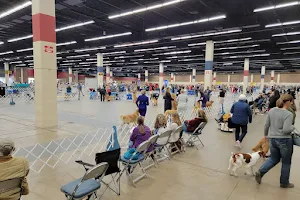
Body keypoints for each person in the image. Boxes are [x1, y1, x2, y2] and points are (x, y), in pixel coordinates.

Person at [255, 94, 295, 188]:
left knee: (274, 158)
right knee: (286, 162)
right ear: (288, 102)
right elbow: (286, 130)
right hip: (285, 140)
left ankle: (260, 172)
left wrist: (266, 135)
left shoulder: (272, 110)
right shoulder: (289, 114)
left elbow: (266, 125)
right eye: (291, 101)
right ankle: (284, 182)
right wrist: (292, 127)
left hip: (273, 139)